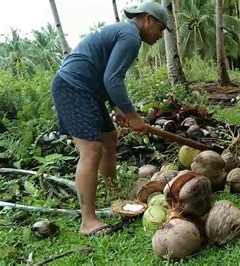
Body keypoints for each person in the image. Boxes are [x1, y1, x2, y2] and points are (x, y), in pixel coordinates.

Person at [50, 2, 170, 236]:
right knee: (92, 150)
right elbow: (113, 80)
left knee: (109, 138)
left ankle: (113, 191)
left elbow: (105, 73)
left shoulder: (124, 32)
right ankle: (88, 221)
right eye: (161, 29)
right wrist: (133, 116)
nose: (160, 35)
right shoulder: (130, 37)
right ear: (148, 19)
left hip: (88, 89)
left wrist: (117, 106)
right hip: (73, 87)